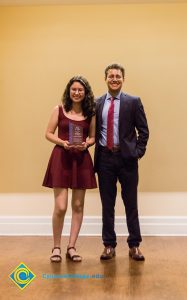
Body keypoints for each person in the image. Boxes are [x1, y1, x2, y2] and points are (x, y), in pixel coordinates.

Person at [94, 63, 149, 260]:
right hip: (105, 160)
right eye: (111, 76)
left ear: (123, 79)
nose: (114, 79)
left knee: (130, 203)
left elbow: (144, 131)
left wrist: (137, 152)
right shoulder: (97, 103)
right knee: (107, 205)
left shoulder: (133, 102)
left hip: (127, 160)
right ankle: (109, 245)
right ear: (106, 79)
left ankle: (134, 245)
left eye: (118, 76)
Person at [43, 75, 97, 263]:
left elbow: (92, 137)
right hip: (61, 158)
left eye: (80, 90)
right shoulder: (58, 110)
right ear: (69, 91)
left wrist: (86, 144)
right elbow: (48, 133)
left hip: (81, 160)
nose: (76, 92)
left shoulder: (90, 112)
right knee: (61, 206)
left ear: (85, 93)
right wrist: (62, 142)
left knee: (78, 205)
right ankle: (56, 247)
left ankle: (71, 247)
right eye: (73, 89)